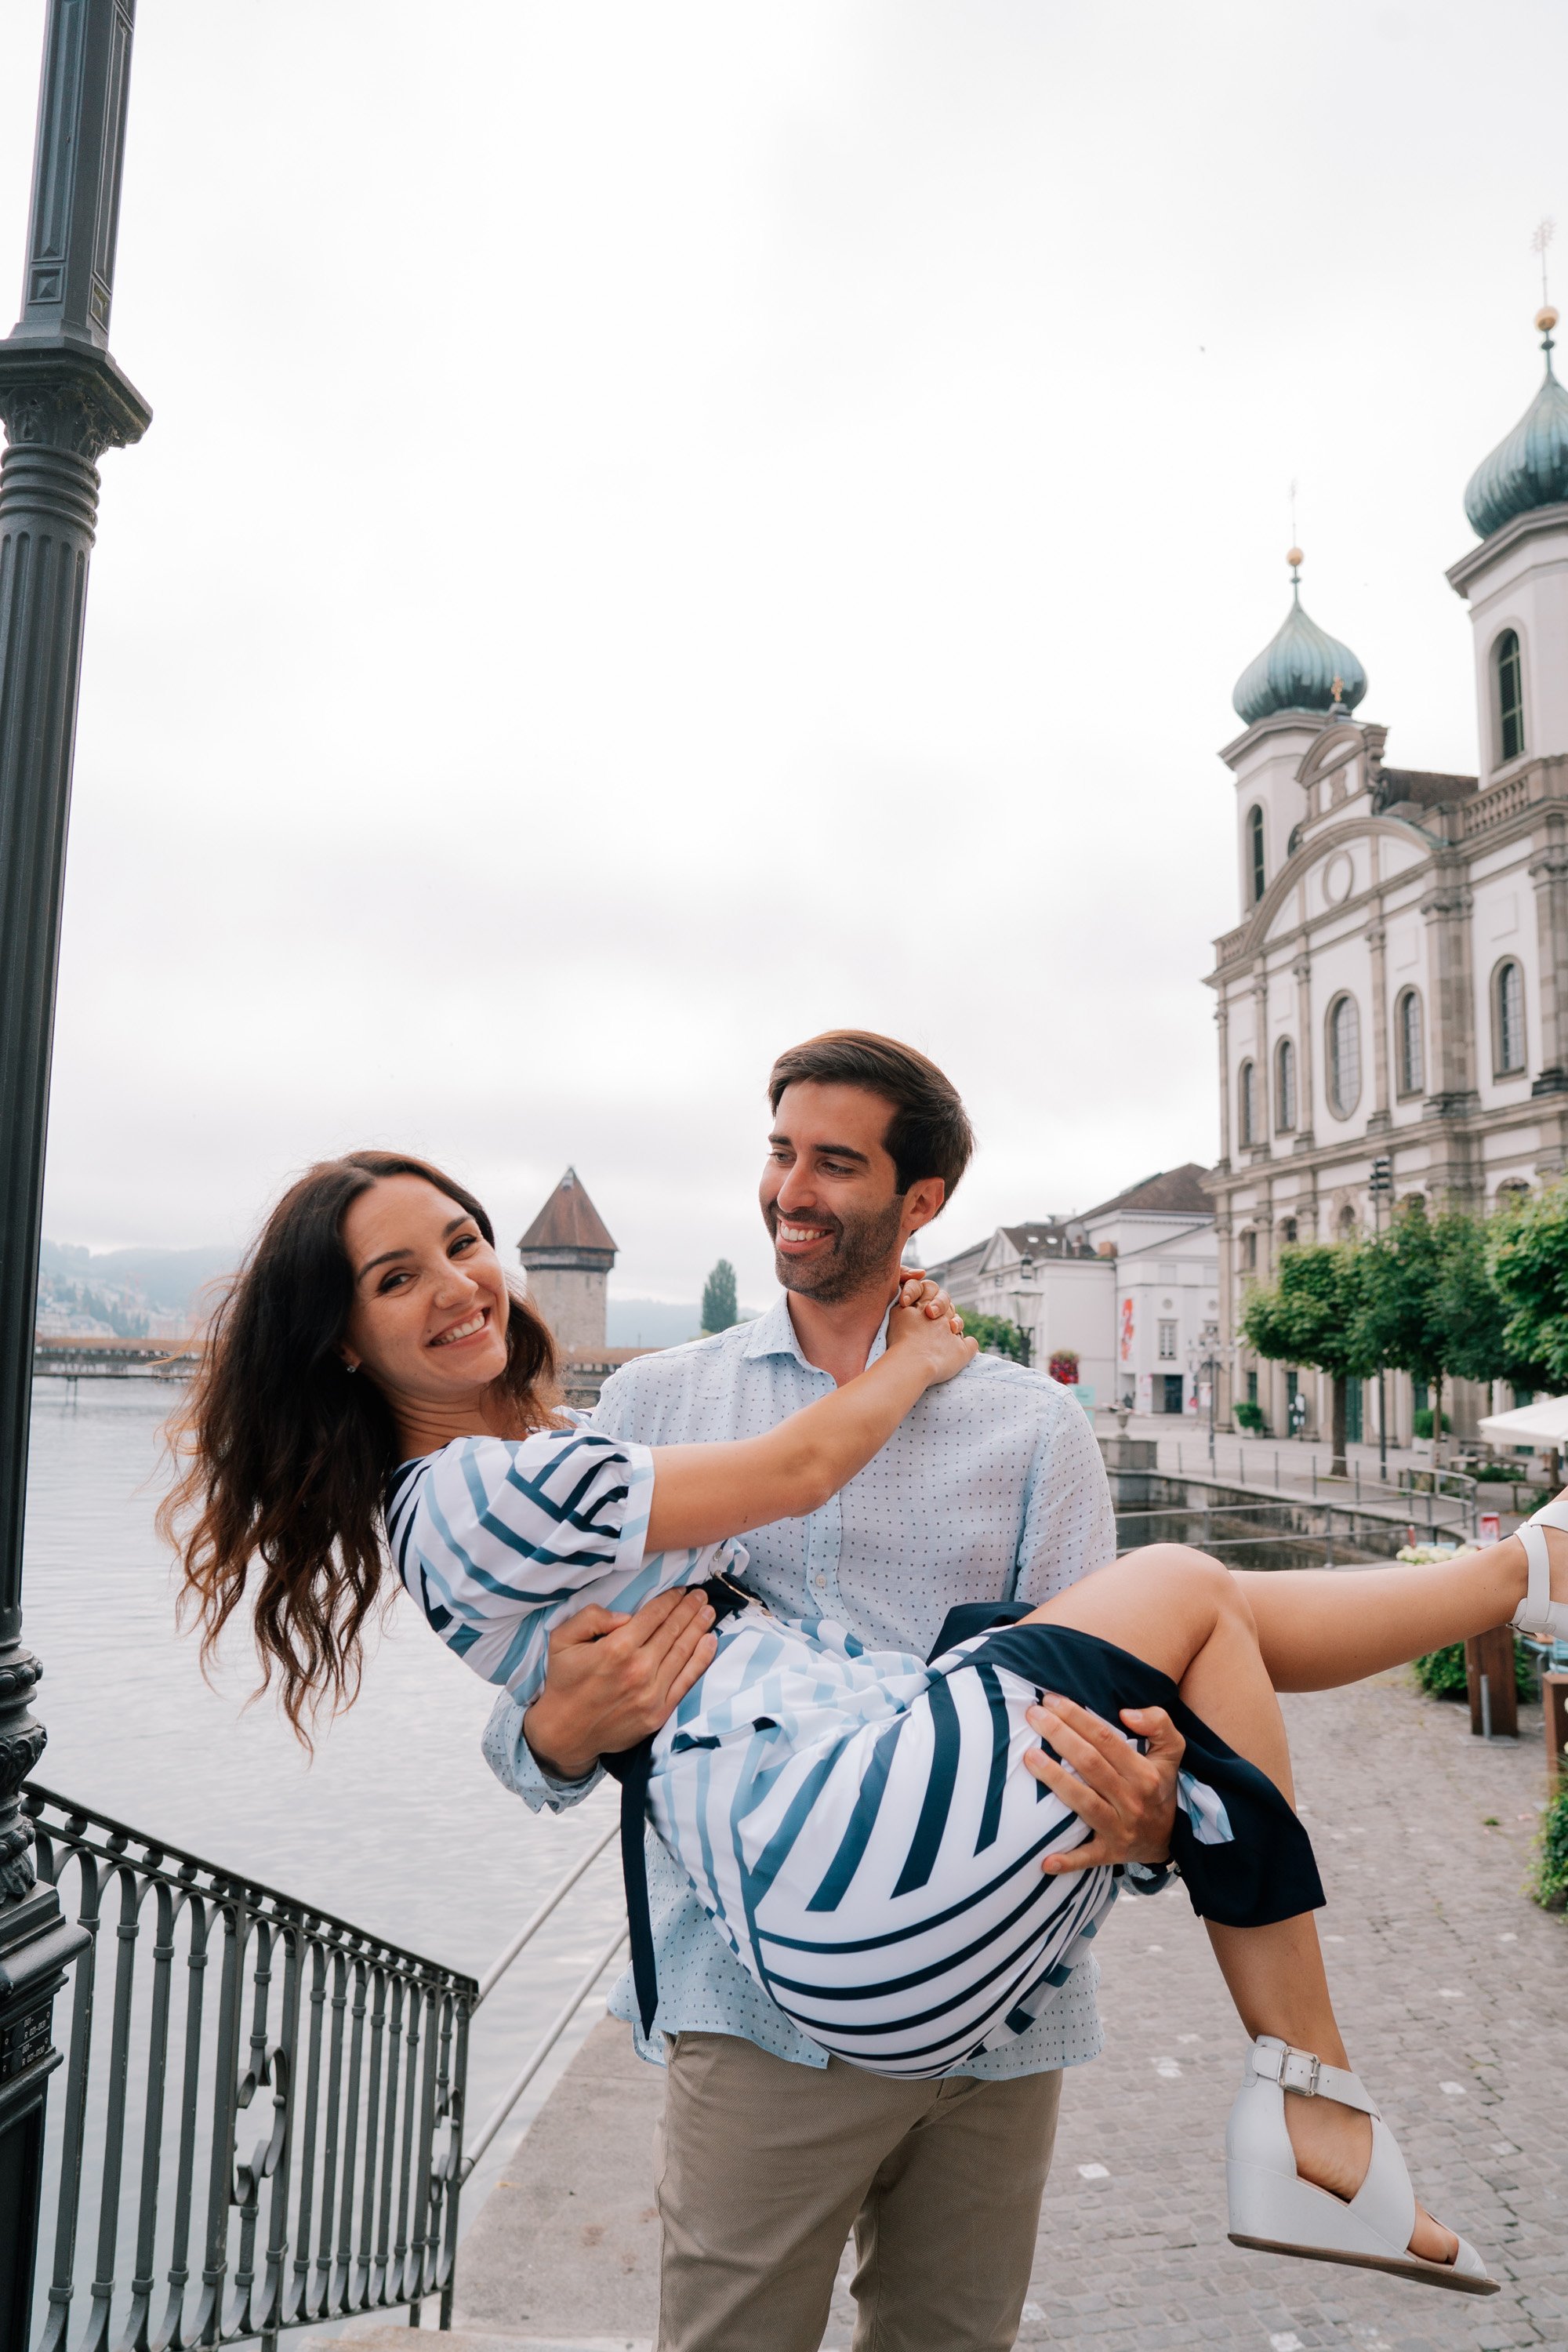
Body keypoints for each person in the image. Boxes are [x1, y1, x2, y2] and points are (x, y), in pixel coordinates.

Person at [166, 1145, 1568, 2342]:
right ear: (343, 1339)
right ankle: (1323, 2107)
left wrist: (1156, 1822)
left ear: (922, 1199)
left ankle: (1522, 1580)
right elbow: (787, 1482)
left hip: (957, 1947)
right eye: (396, 1276)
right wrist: (555, 1733)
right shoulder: (596, 1436)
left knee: (1210, 1611)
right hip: (805, 1933)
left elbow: (1162, 1693)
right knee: (1193, 1581)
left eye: (463, 1242)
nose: (458, 1282)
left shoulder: (1020, 1425)